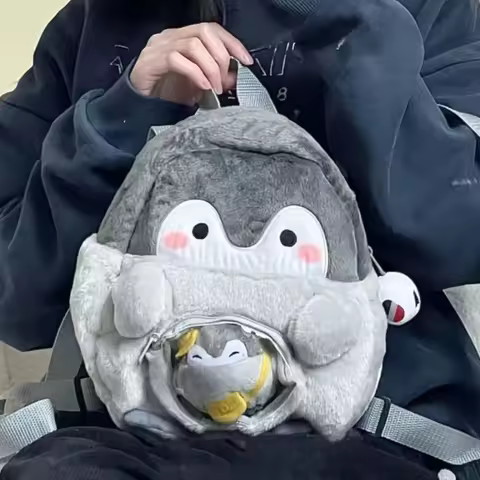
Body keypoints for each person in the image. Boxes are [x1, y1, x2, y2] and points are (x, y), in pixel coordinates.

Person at [1, 0, 480, 469]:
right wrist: (120, 119)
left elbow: (458, 234)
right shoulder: (83, 29)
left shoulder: (428, 9)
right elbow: (16, 303)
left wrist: (345, 24)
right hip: (128, 432)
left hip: (382, 430)